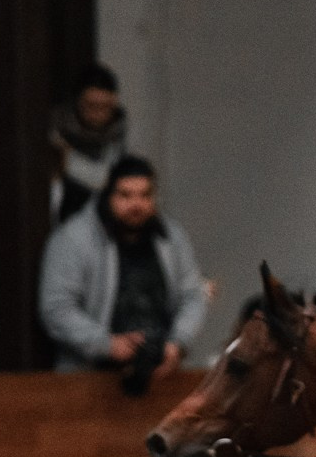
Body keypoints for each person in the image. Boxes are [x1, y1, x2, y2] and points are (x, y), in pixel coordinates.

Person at [38, 155, 208, 392]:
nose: (136, 204)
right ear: (108, 195)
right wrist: (107, 344)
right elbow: (56, 308)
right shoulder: (73, 240)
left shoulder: (170, 238)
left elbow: (193, 295)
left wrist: (177, 343)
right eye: (125, 195)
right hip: (89, 381)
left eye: (145, 195)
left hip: (161, 376)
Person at [51, 63, 128, 222]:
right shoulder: (57, 129)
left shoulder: (119, 131)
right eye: (91, 106)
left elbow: (111, 181)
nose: (98, 114)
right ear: (78, 102)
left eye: (105, 107)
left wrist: (68, 160)